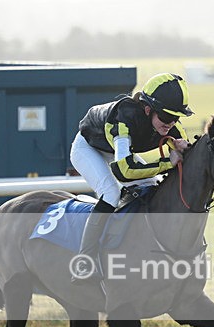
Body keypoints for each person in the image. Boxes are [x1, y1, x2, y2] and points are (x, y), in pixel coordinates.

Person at [69, 72, 193, 278]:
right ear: (147, 109)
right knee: (111, 194)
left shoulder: (169, 123)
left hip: (116, 150)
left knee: (153, 186)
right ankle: (85, 261)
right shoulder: (124, 120)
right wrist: (165, 163)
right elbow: (124, 172)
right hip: (88, 148)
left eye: (176, 117)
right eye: (166, 117)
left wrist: (184, 147)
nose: (171, 123)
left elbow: (186, 153)